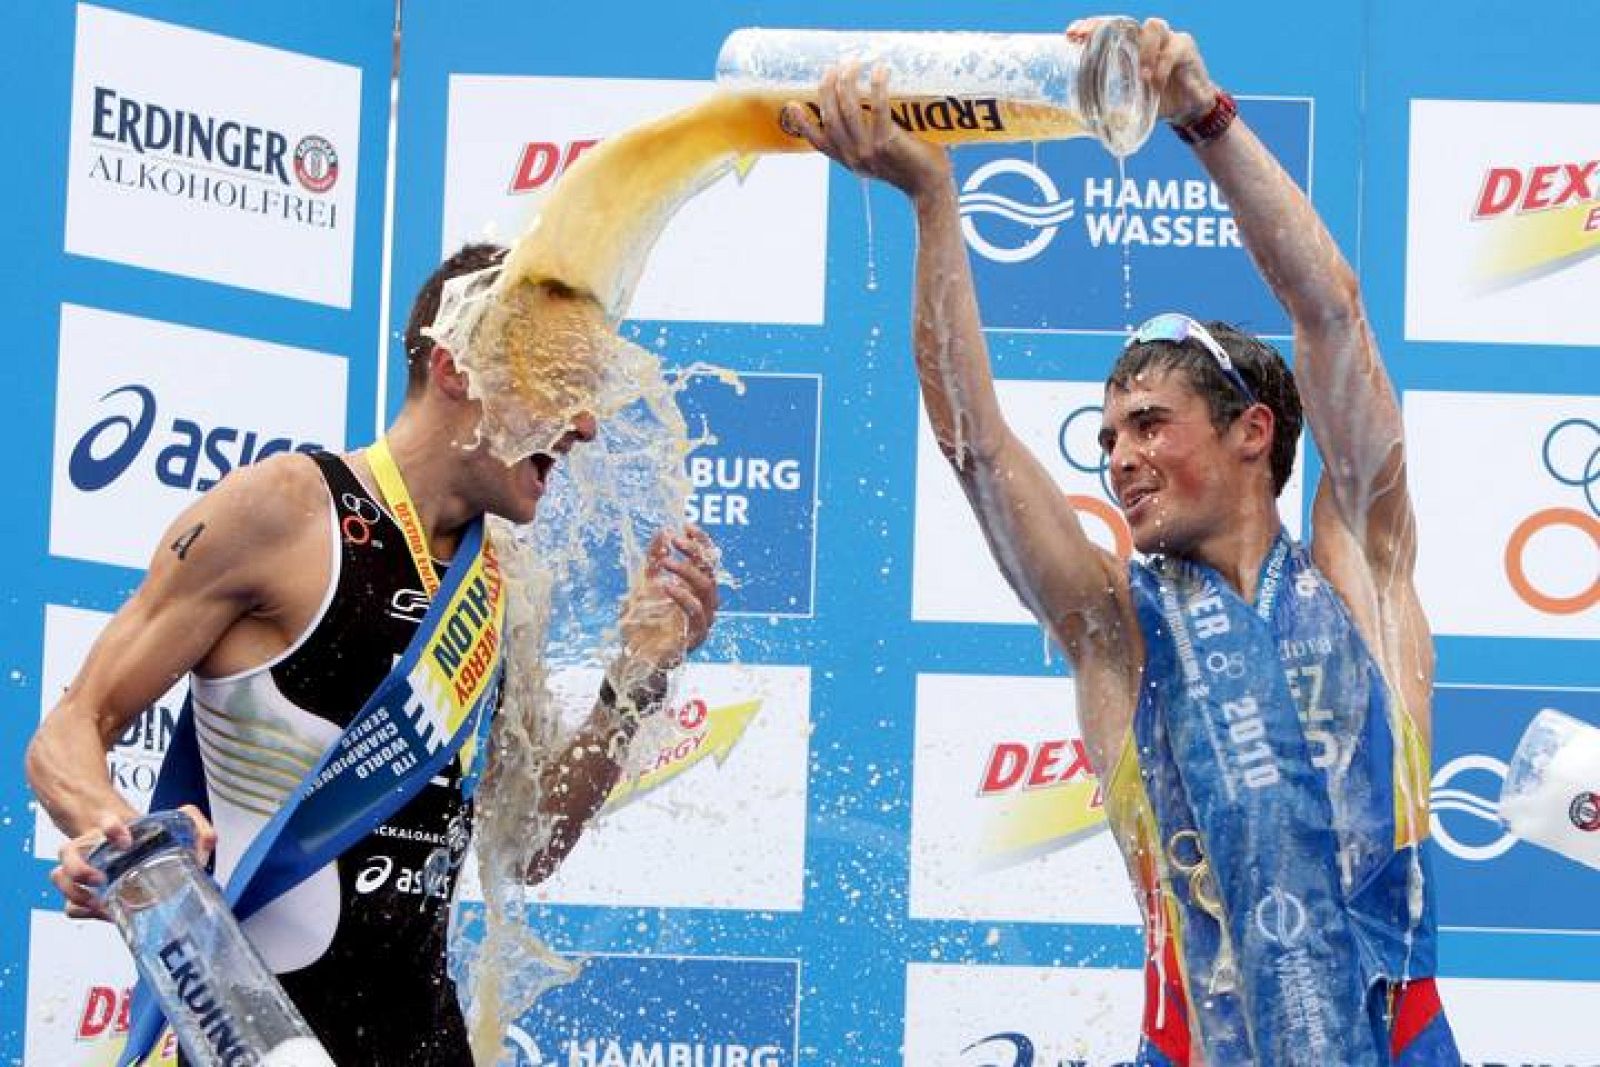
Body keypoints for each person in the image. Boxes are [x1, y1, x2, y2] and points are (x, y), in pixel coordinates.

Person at [786, 19, 1460, 1067]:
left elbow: (1330, 313)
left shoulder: (1359, 569)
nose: (1120, 457)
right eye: (1107, 435)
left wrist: (1203, 113)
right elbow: (973, 445)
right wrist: (931, 202)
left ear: (1251, 431)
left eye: (1149, 423)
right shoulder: (1116, 630)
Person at [26, 242, 720, 1065]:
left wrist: (633, 682)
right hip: (250, 1043)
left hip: (425, 1043)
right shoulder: (284, 512)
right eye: (562, 385)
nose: (585, 424)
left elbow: (530, 844)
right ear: (457, 366)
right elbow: (71, 728)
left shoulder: (502, 586)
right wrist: (128, 853)